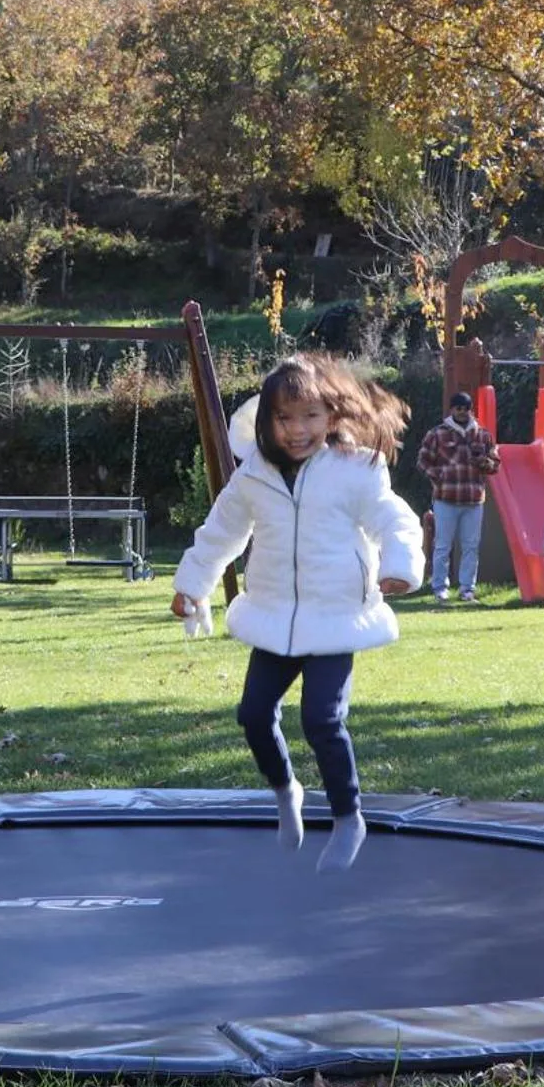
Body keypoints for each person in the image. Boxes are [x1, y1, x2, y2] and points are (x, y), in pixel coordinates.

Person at [171, 354, 424, 872]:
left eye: (309, 416)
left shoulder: (355, 469)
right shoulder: (254, 478)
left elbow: (393, 520)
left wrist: (399, 567)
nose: (297, 430)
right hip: (273, 616)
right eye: (284, 418)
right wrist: (191, 586)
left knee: (322, 719)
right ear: (266, 423)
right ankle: (287, 789)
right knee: (254, 715)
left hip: (334, 619)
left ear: (331, 416)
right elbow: (220, 533)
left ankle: (349, 816)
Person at [415, 391, 500, 603]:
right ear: (451, 410)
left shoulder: (483, 435)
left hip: (473, 499)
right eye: (458, 408)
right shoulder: (437, 434)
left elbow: (495, 464)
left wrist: (484, 463)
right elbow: (423, 461)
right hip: (445, 498)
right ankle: (439, 589)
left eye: (465, 408)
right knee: (443, 545)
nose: (462, 412)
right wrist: (439, 476)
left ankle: (467, 590)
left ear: (470, 410)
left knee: (471, 546)